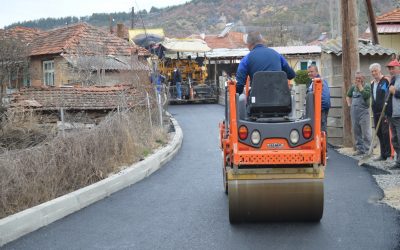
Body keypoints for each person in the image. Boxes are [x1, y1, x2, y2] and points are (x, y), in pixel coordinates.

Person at [346, 72, 372, 155]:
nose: (358, 79)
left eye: (359, 78)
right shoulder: (353, 87)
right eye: (356, 78)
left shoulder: (367, 86)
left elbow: (366, 96)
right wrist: (349, 104)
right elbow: (348, 95)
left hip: (364, 112)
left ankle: (368, 150)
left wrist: (360, 86)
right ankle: (360, 149)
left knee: (366, 132)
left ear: (363, 78)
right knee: (356, 131)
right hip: (354, 112)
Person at [370, 63, 391, 161]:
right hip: (376, 111)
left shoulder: (385, 81)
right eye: (372, 71)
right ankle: (383, 154)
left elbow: (387, 95)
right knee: (378, 132)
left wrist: (386, 110)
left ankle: (388, 153)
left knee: (385, 132)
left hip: (384, 111)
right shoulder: (372, 83)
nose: (374, 73)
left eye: (375, 71)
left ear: (379, 70)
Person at [307, 65, 331, 135]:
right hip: (316, 109)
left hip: (321, 109)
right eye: (308, 72)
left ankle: (323, 145)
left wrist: (320, 108)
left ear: (317, 72)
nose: (310, 73)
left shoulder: (319, 81)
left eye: (311, 71)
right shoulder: (313, 82)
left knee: (322, 130)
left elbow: (325, 98)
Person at [386, 59, 400, 169]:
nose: (391, 70)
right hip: (391, 115)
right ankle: (398, 162)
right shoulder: (392, 80)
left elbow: (395, 93)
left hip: (399, 115)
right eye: (390, 68)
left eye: (393, 68)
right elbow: (388, 98)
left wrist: (395, 92)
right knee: (395, 140)